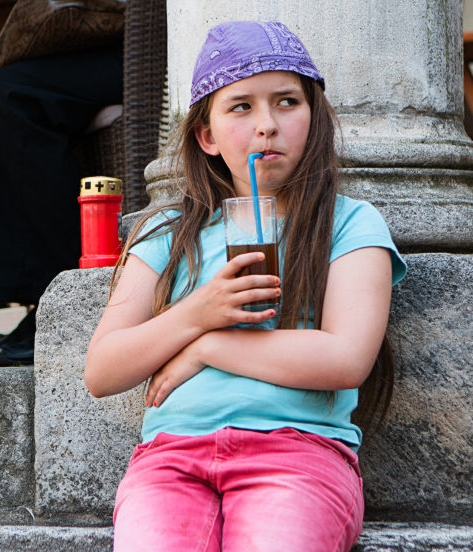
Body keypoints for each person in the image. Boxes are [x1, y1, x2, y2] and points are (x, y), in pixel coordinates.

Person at [83, 21, 407, 551]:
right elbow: (102, 371)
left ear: (314, 117)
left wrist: (207, 346)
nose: (267, 126)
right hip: (171, 461)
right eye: (241, 107)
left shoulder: (349, 224)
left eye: (286, 102)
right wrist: (196, 314)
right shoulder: (169, 234)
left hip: (297, 455)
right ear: (206, 136)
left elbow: (346, 358)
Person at [0, 43, 123, 366]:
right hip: (108, 37)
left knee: (10, 99)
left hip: (148, 39)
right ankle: (43, 304)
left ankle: (66, 297)